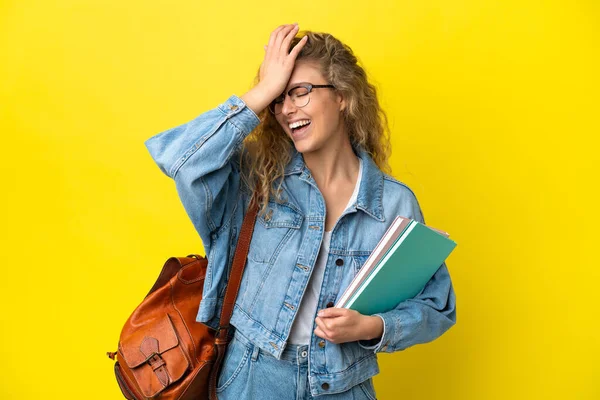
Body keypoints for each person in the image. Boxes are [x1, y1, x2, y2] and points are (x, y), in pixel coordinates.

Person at [145, 23, 456, 400]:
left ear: (342, 96)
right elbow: (179, 159)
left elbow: (436, 306)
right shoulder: (256, 179)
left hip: (343, 385)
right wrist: (261, 92)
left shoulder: (393, 203)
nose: (286, 109)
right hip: (252, 378)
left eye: (300, 92)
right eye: (279, 99)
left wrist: (371, 326)